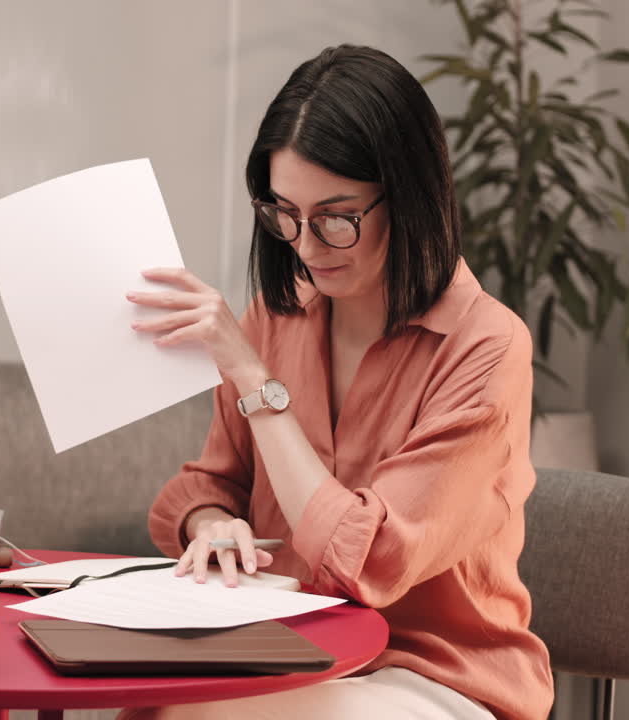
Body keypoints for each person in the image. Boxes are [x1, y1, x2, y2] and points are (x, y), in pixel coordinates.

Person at [123, 45, 553, 719]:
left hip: (431, 674)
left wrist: (251, 376)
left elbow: (366, 559)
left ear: (407, 196)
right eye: (284, 213)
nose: (306, 245)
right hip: (288, 648)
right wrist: (211, 528)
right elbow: (208, 487)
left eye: (336, 216)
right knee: (151, 705)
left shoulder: (486, 348)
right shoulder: (281, 312)